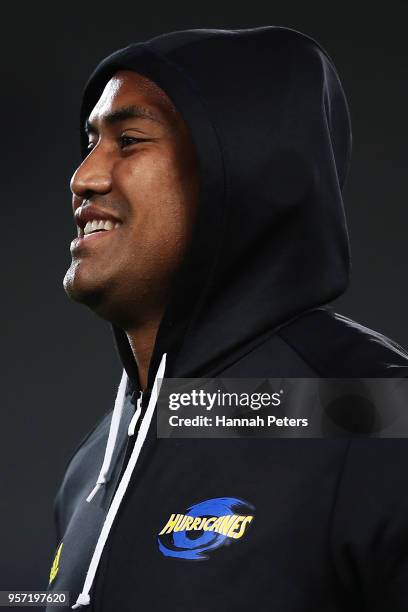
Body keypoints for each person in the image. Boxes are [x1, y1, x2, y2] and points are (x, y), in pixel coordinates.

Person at [46, 26, 408, 611]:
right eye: (89, 142)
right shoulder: (92, 464)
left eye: (130, 139)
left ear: (237, 172)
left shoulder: (377, 413)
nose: (84, 176)